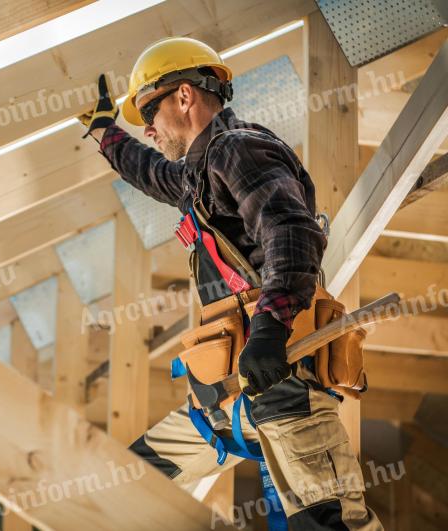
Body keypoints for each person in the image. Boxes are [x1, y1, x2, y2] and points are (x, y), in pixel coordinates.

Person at [79, 37, 383, 529]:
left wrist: (269, 330)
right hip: (226, 398)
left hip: (283, 385)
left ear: (183, 96)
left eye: (149, 112)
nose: (150, 130)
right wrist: (105, 133)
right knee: (123, 488)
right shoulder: (199, 173)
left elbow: (290, 232)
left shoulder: (239, 149)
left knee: (330, 525)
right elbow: (152, 173)